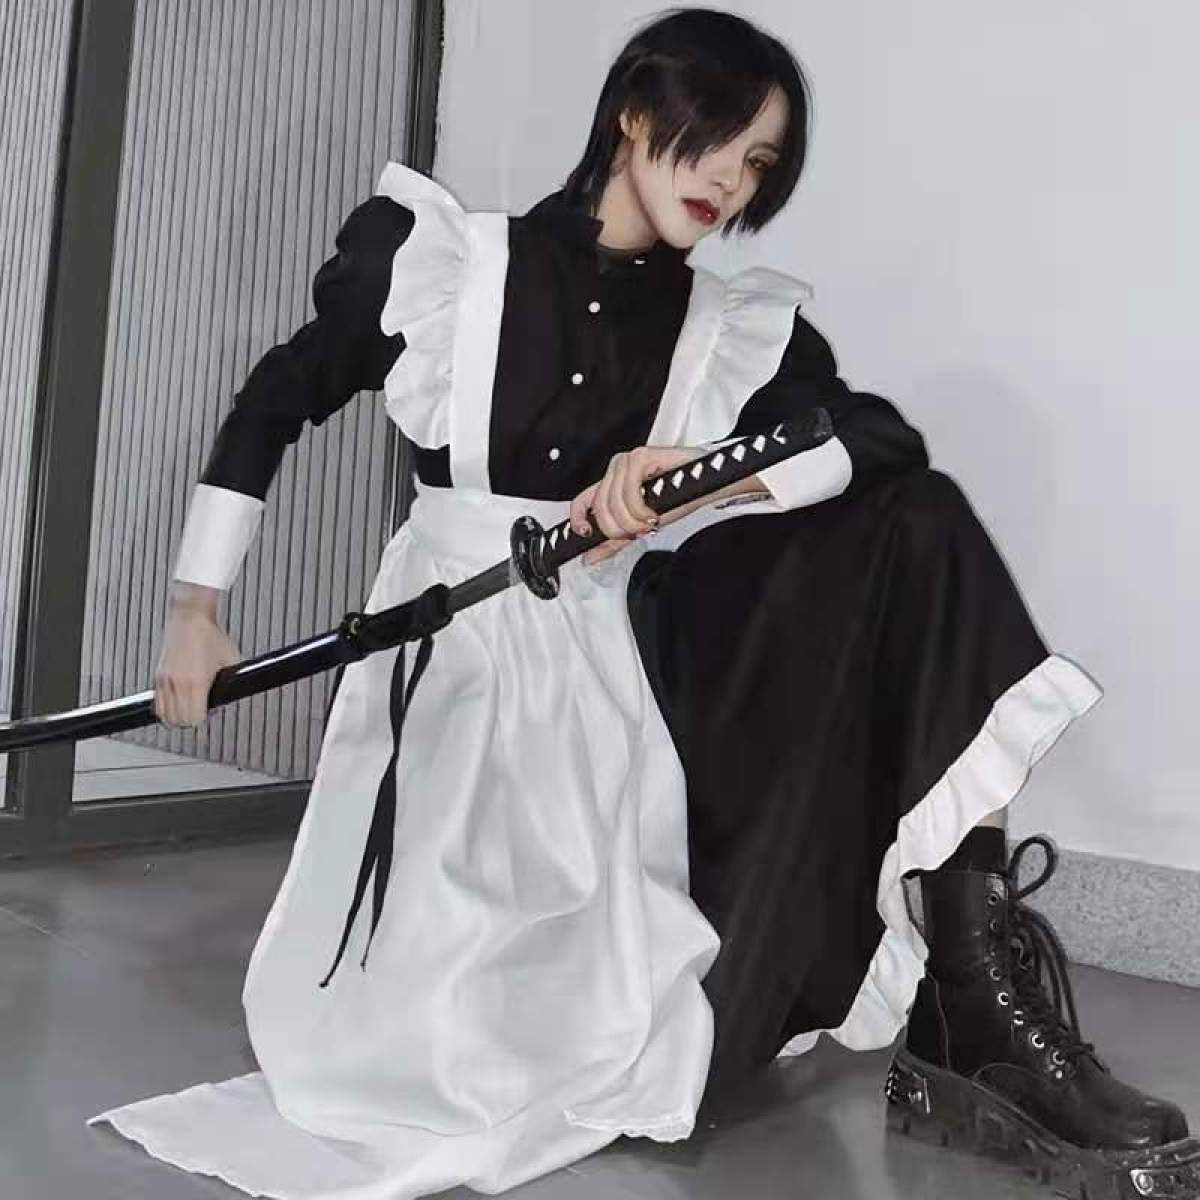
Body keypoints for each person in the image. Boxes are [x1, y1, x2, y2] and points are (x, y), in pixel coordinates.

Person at [91, 8, 1198, 1200]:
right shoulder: (457, 263)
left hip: (621, 666)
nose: (732, 181)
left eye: (760, 163)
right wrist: (194, 608)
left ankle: (973, 985)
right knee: (466, 1035)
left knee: (912, 516)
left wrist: (702, 474)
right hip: (456, 652)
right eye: (715, 139)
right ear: (633, 112)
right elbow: (278, 397)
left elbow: (876, 436)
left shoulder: (722, 326)